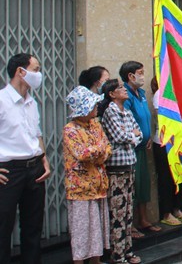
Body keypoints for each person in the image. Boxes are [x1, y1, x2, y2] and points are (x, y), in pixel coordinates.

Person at [0, 53, 51, 264]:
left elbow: (36, 132)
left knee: (33, 226)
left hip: (34, 168)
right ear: (21, 71)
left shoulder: (31, 102)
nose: (38, 74)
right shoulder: (2, 100)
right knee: (3, 226)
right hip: (9, 171)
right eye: (36, 69)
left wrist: (44, 157)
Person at [62, 86, 112, 264]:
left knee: (97, 226)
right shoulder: (70, 130)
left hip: (98, 184)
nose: (96, 107)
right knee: (82, 229)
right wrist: (98, 150)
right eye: (93, 104)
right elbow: (82, 154)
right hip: (80, 187)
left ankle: (96, 260)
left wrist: (97, 151)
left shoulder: (95, 125)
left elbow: (107, 148)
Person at [100, 79, 143, 264]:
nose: (124, 90)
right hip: (116, 170)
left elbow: (139, 133)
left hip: (129, 165)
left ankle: (128, 251)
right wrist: (131, 135)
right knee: (117, 213)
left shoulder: (126, 111)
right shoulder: (111, 111)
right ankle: (117, 255)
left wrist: (131, 135)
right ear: (111, 94)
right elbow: (119, 135)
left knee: (128, 212)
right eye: (120, 88)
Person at [119, 61, 159, 235]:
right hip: (131, 149)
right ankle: (131, 225)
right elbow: (126, 120)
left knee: (143, 185)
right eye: (140, 72)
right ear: (130, 75)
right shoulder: (126, 95)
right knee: (133, 186)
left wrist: (147, 135)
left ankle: (143, 219)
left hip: (143, 146)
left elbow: (144, 117)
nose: (142, 76)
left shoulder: (141, 93)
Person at [150, 77, 182, 227]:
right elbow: (161, 117)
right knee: (166, 178)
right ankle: (166, 212)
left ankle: (177, 208)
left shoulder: (178, 94)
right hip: (164, 143)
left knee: (179, 177)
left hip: (178, 143)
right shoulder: (159, 94)